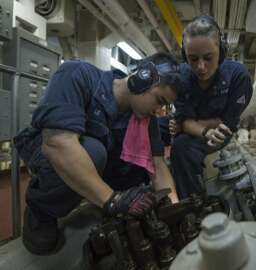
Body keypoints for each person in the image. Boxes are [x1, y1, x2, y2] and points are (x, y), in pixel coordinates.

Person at [14, 53, 181, 255]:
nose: (159, 111)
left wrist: (174, 212)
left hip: (98, 163)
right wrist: (113, 200)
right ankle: (41, 211)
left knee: (139, 171)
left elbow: (158, 166)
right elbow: (57, 143)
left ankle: (100, 197)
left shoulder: (144, 120)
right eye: (159, 100)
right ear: (142, 79)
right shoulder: (78, 74)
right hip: (49, 151)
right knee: (93, 152)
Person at [162, 15, 253, 199]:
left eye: (208, 58)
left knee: (182, 146)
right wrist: (194, 126)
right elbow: (182, 121)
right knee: (151, 125)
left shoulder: (238, 77)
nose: (201, 67)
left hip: (218, 134)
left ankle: (192, 203)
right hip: (201, 129)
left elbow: (224, 124)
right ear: (184, 56)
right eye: (193, 59)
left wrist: (190, 126)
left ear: (222, 52)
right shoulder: (182, 76)